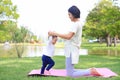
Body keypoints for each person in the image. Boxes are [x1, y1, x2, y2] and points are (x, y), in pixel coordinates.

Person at [48, 5, 101, 77]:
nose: (68, 16)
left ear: (74, 14)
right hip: (72, 49)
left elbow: (68, 36)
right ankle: (90, 70)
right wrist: (57, 34)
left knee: (70, 74)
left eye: (69, 14)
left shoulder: (75, 24)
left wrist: (55, 33)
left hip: (71, 50)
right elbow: (68, 35)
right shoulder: (78, 23)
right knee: (71, 70)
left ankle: (90, 71)